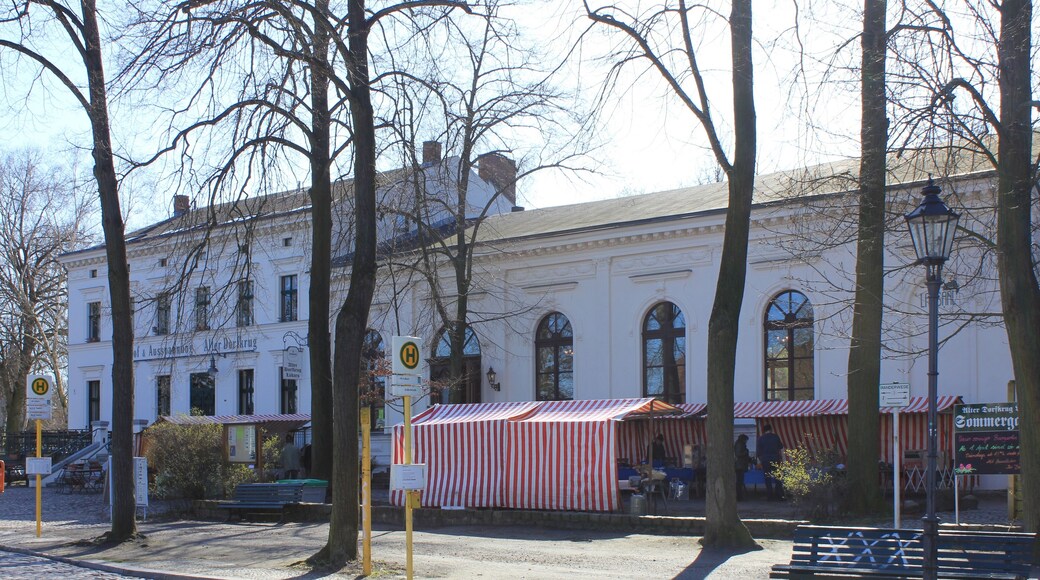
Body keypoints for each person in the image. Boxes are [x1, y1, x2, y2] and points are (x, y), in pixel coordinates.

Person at [757, 424, 785, 501]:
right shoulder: (775, 437)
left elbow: (758, 452)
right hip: (775, 459)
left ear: (763, 430)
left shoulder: (760, 438)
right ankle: (779, 495)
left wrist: (761, 459)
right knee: (778, 478)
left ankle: (770, 496)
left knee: (767, 478)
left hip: (765, 460)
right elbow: (781, 447)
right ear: (771, 429)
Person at [734, 434, 751, 501]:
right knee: (739, 482)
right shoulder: (740, 444)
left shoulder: (739, 443)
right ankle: (739, 496)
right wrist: (746, 452)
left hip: (739, 465)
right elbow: (738, 454)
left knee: (740, 482)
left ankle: (739, 496)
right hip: (740, 465)